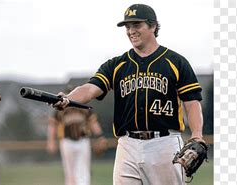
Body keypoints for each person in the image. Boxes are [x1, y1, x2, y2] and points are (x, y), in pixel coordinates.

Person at [53, 4, 205, 185]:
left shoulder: (175, 62)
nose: (131, 31)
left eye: (136, 25)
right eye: (127, 27)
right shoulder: (117, 65)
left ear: (153, 26)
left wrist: (196, 134)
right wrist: (69, 99)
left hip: (164, 144)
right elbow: (90, 88)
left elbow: (192, 102)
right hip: (127, 145)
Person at [46, 87, 107, 185]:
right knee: (69, 172)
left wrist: (100, 136)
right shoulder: (60, 108)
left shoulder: (83, 106)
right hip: (66, 141)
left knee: (83, 171)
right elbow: (52, 125)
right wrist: (51, 141)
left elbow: (93, 122)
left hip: (83, 140)